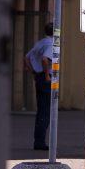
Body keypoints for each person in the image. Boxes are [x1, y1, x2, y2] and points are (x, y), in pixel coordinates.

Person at [24, 22, 54, 150]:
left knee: (41, 110)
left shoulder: (40, 42)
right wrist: (46, 75)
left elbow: (26, 57)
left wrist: (33, 72)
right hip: (45, 78)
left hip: (39, 76)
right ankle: (40, 143)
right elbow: (45, 59)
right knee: (45, 111)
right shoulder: (51, 44)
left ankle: (38, 140)